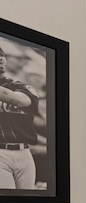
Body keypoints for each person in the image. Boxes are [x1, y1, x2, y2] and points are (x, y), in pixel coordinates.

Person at [0, 44, 40, 190]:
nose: (0, 59)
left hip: (24, 154)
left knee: (27, 202)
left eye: (2, 55)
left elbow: (19, 100)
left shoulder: (21, 86)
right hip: (0, 154)